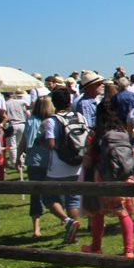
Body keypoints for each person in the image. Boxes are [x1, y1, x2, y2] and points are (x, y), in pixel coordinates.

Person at [80, 100, 134, 258]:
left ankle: (96, 247)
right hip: (124, 176)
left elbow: (90, 157)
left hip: (102, 176)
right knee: (123, 212)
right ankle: (129, 250)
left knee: (98, 213)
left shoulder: (96, 134)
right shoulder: (122, 131)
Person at [42, 87, 83, 244]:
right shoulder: (79, 116)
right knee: (73, 199)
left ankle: (67, 221)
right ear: (69, 101)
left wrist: (42, 142)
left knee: (47, 196)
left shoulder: (52, 120)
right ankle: (74, 234)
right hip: (77, 163)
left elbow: (51, 144)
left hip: (58, 166)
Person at [21, 95, 53, 238]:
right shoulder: (50, 121)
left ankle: (36, 228)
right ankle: (64, 220)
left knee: (36, 195)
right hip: (48, 161)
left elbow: (24, 141)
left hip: (34, 161)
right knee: (54, 192)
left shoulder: (30, 121)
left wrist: (17, 159)